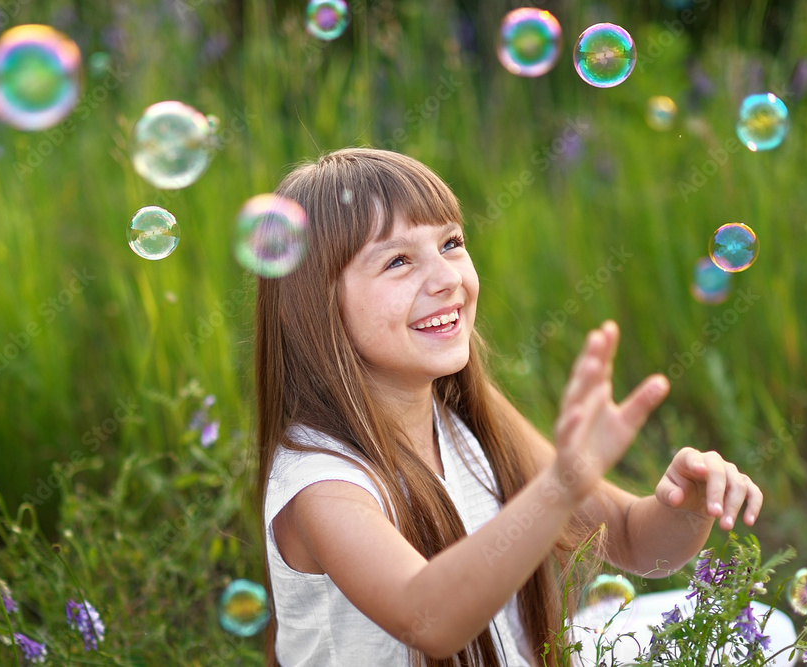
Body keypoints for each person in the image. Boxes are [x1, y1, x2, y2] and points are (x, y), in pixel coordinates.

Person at [254, 147, 765, 667]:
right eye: (398, 261)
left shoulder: (466, 421)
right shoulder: (322, 484)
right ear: (315, 306)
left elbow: (634, 541)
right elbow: (429, 620)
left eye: (451, 243)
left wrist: (685, 508)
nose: (446, 277)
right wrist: (560, 484)